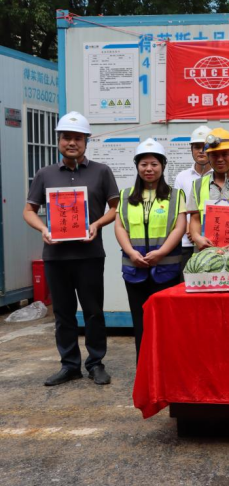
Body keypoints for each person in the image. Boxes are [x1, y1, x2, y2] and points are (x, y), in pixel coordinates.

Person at [22, 111, 119, 386]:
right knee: (63, 314)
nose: (72, 142)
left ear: (87, 141)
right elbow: (28, 211)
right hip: (56, 257)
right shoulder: (45, 174)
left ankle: (96, 363)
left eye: (78, 138)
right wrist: (43, 229)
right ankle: (69, 365)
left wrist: (96, 224)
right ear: (59, 140)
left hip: (90, 255)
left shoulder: (101, 171)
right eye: (66, 137)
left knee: (93, 312)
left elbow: (115, 208)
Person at [114, 139, 186, 361]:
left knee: (167, 323)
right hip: (134, 270)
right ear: (137, 166)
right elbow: (120, 226)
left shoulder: (175, 195)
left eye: (154, 164)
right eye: (144, 164)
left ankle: (166, 369)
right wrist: (131, 252)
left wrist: (161, 252)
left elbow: (179, 227)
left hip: (166, 271)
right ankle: (144, 370)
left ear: (162, 166)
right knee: (140, 322)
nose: (149, 169)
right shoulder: (125, 195)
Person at [172, 125, 212, 278]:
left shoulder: (219, 176)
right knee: (185, 284)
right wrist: (189, 229)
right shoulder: (182, 176)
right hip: (186, 242)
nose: (201, 151)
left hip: (211, 241)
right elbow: (177, 208)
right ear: (191, 149)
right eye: (197, 147)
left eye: (205, 147)